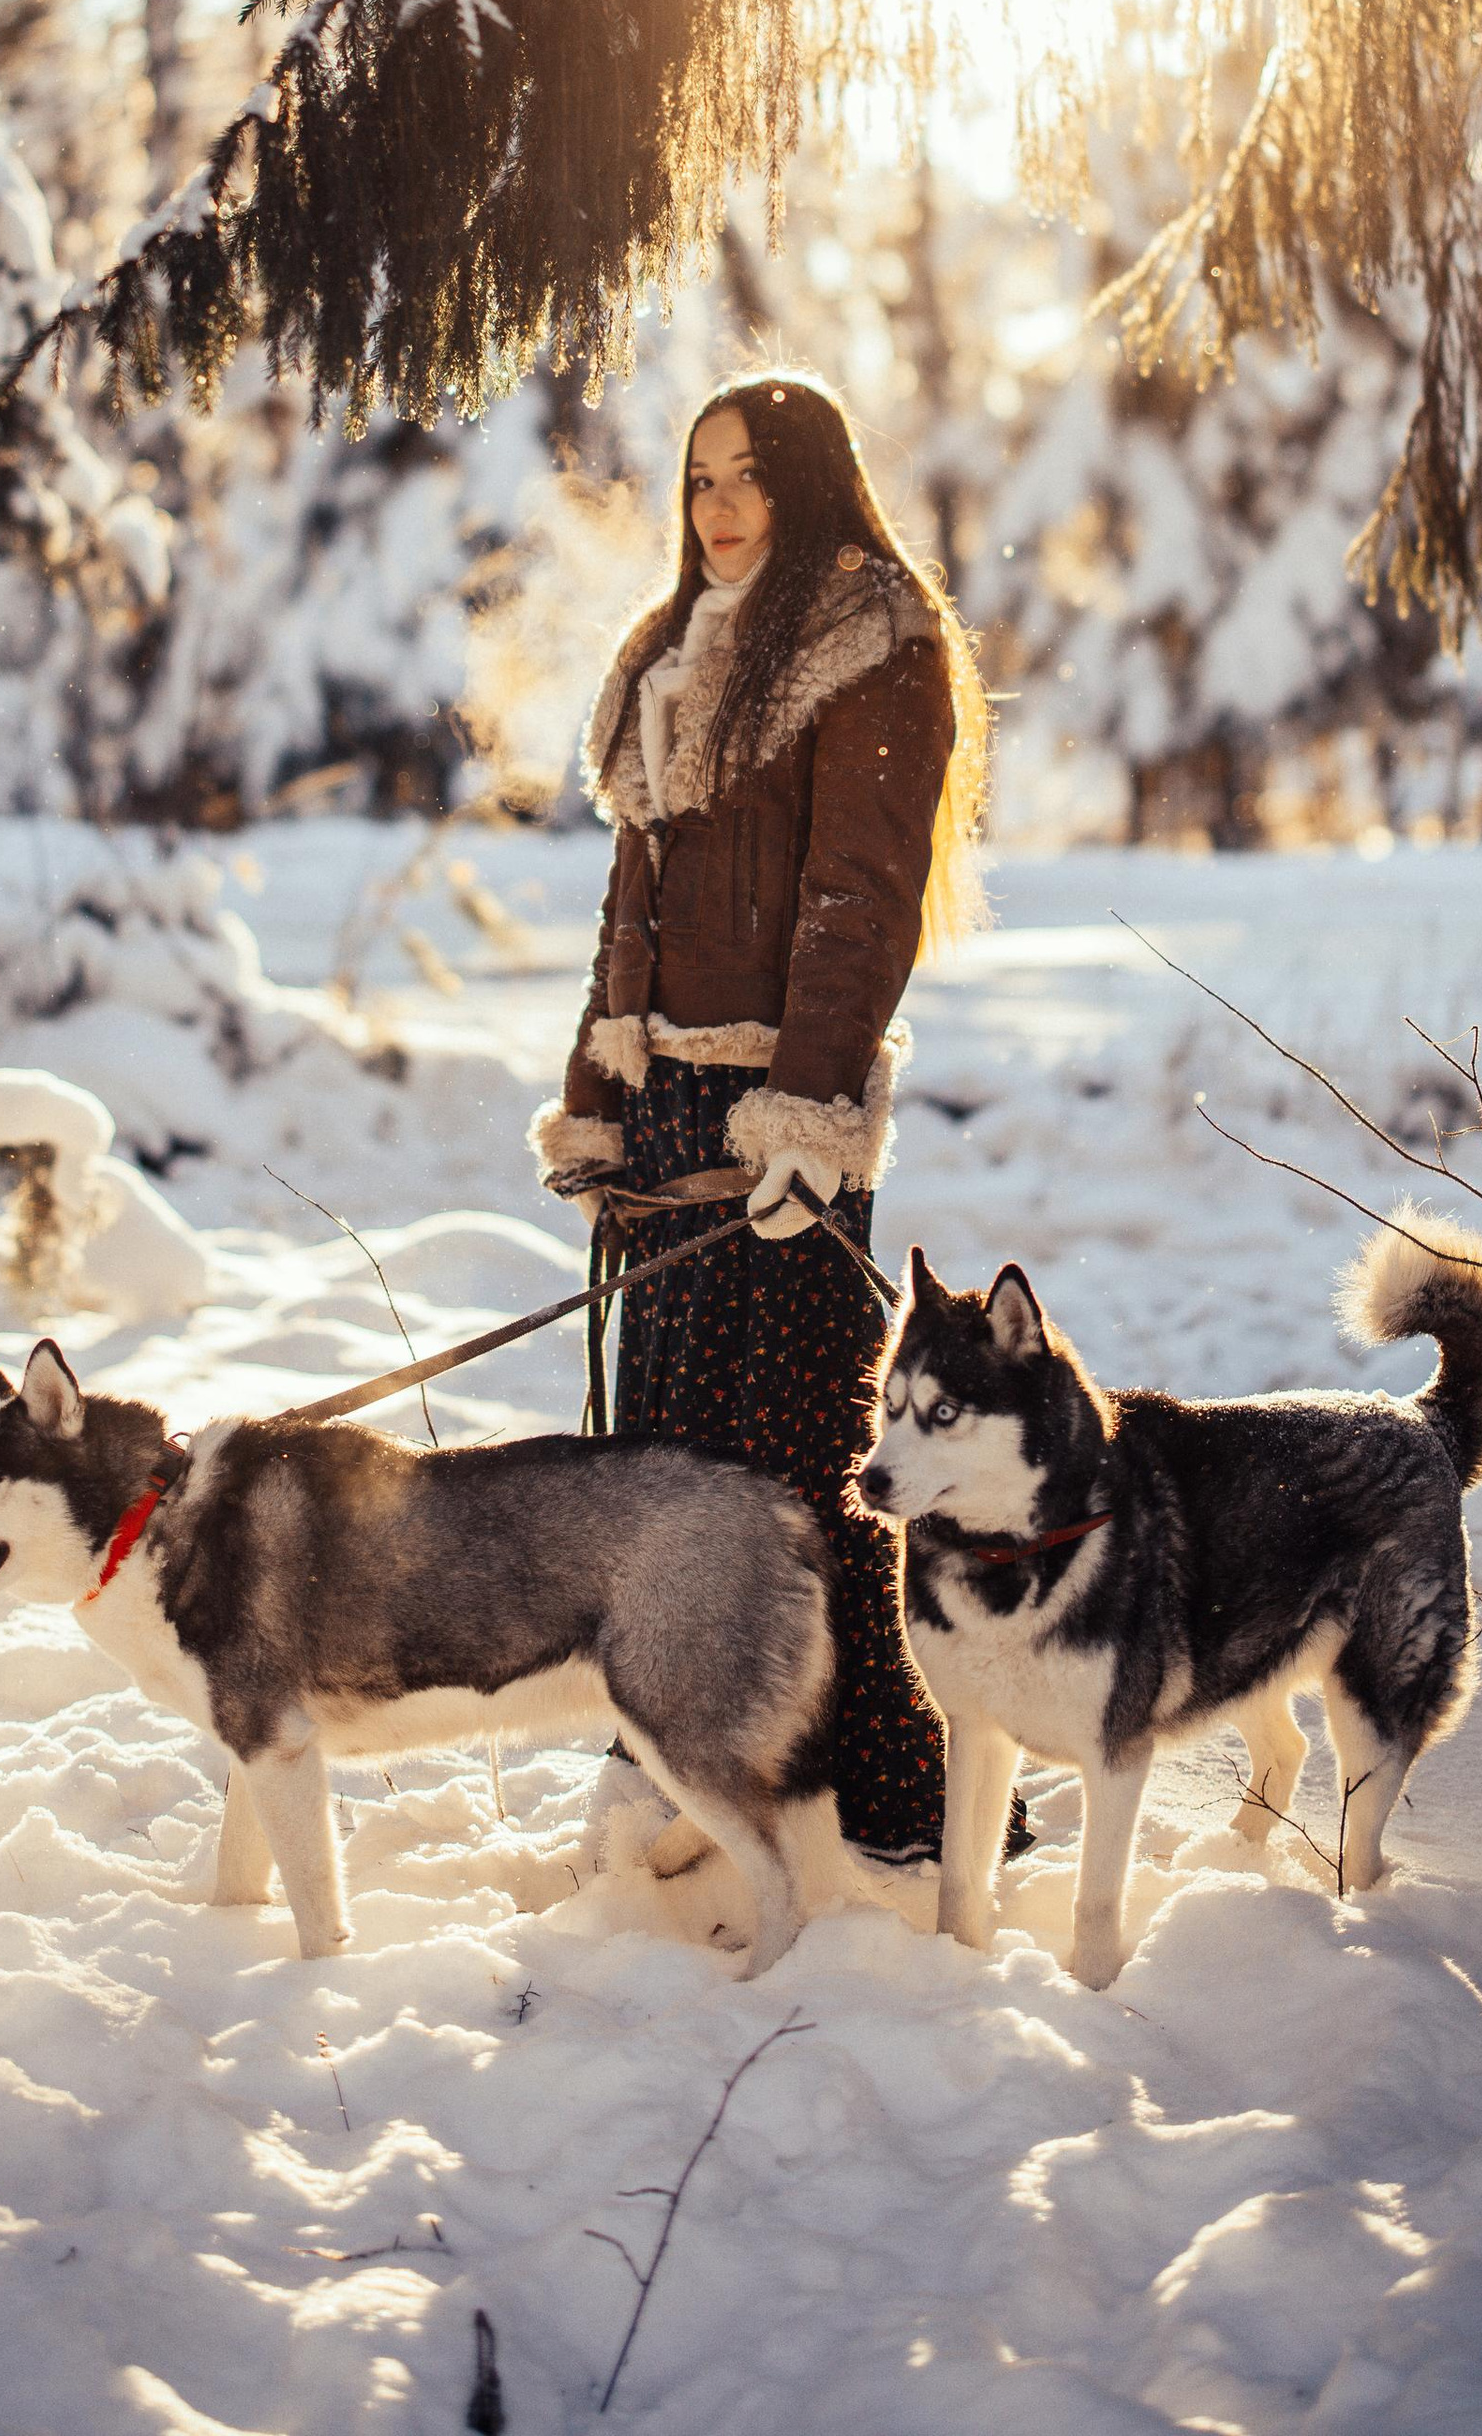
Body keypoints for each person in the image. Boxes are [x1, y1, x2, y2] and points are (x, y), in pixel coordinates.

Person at [529, 371, 993, 1866]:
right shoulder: (668, 655)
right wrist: (595, 1105)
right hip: (667, 1116)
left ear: (807, 485)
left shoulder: (871, 643)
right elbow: (631, 911)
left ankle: (876, 1804)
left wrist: (805, 1112)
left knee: (794, 1468)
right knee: (664, 1469)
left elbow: (858, 900)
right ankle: (691, 1773)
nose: (716, 507)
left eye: (746, 476)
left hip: (780, 1112)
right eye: (697, 478)